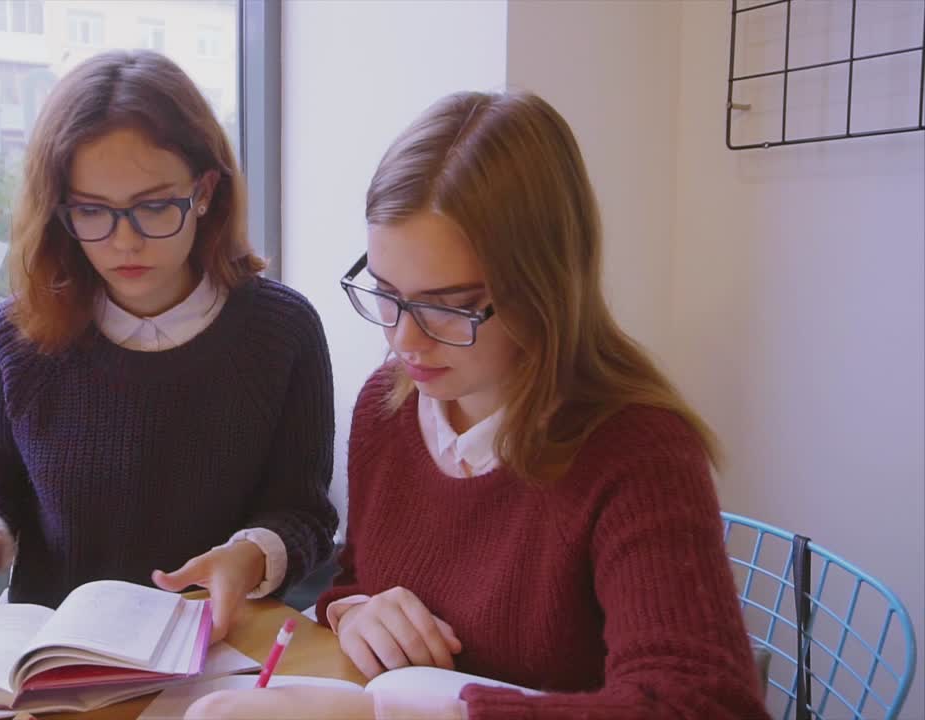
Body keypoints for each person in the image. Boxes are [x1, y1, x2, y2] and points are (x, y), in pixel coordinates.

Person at [187, 90, 770, 718]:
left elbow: (704, 703)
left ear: (544, 287)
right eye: (386, 293)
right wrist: (356, 611)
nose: (403, 340)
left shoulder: (636, 453)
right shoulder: (386, 408)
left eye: (447, 305)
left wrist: (412, 714)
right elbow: (358, 575)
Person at [0, 50, 338, 643]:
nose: (124, 241)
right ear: (60, 211)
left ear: (205, 191)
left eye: (154, 206)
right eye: (92, 211)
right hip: (55, 656)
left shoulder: (283, 331)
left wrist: (251, 554)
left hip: (217, 652)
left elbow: (303, 512)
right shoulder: (16, 336)